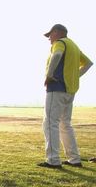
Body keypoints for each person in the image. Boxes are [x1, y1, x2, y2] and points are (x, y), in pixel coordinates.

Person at [38, 24, 93, 168]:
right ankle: (74, 159)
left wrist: (49, 75)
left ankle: (53, 160)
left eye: (50, 34)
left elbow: (56, 55)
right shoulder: (73, 46)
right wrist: (75, 77)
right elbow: (88, 63)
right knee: (65, 124)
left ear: (58, 32)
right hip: (70, 90)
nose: (49, 38)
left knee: (50, 123)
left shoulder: (60, 43)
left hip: (56, 88)